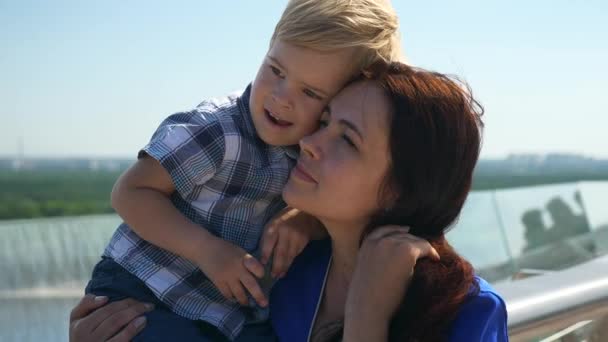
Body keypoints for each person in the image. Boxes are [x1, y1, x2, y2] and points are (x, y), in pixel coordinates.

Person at [71, 63, 509, 341]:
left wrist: (367, 318)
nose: (311, 143)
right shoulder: (285, 272)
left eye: (347, 140)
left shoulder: (463, 310)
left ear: (401, 188)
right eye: (323, 121)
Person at [83, 0, 403, 340]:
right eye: (276, 70)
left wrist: (303, 219)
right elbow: (130, 193)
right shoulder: (219, 131)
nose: (281, 98)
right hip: (147, 287)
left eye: (310, 92)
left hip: (228, 314)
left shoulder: (312, 148)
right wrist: (205, 249)